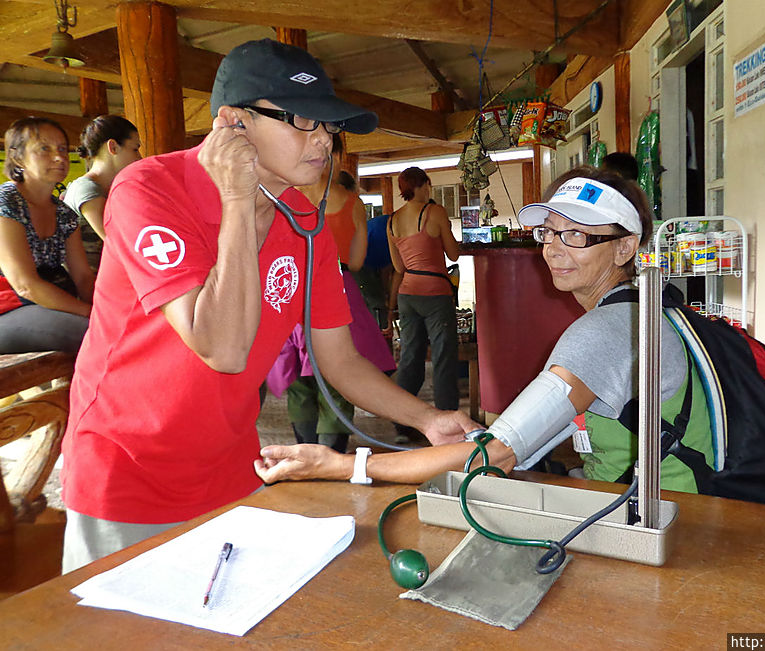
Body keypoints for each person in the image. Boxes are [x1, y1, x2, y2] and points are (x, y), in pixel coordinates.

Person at [59, 39, 479, 573]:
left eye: (329, 127)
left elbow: (341, 360)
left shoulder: (305, 222)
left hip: (231, 462)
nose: (323, 140)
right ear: (233, 123)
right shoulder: (149, 188)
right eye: (302, 121)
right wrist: (238, 199)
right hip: (129, 468)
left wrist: (427, 418)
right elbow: (222, 347)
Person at [255, 166, 715, 493]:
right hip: (642, 493)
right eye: (550, 232)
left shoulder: (604, 333)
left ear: (625, 249)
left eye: (578, 235)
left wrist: (344, 465)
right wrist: (442, 424)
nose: (554, 249)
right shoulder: (643, 308)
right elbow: (520, 441)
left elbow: (498, 455)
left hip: (669, 512)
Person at [266, 135, 395, 452]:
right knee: (338, 373)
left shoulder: (281, 198)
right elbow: (358, 261)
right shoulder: (352, 203)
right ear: (337, 157)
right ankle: (329, 454)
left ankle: (304, 450)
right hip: (338, 289)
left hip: (289, 288)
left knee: (298, 378)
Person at [0, 117, 95, 353]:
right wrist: (91, 313)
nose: (59, 157)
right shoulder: (6, 202)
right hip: (9, 307)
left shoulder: (64, 214)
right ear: (18, 157)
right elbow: (25, 285)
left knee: (123, 326)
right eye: (44, 148)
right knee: (93, 335)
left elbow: (83, 277)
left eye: (63, 148)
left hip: (50, 303)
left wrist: (105, 308)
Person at [386, 167, 461, 443]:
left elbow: (398, 266)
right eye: (428, 185)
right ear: (424, 185)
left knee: (410, 358)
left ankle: (402, 423)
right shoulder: (435, 212)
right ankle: (448, 421)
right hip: (435, 292)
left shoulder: (392, 220)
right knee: (442, 358)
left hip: (408, 295)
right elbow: (453, 253)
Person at [64, 114, 142, 243]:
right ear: (113, 147)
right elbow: (115, 243)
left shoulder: (102, 188)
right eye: (135, 149)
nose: (139, 158)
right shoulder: (87, 188)